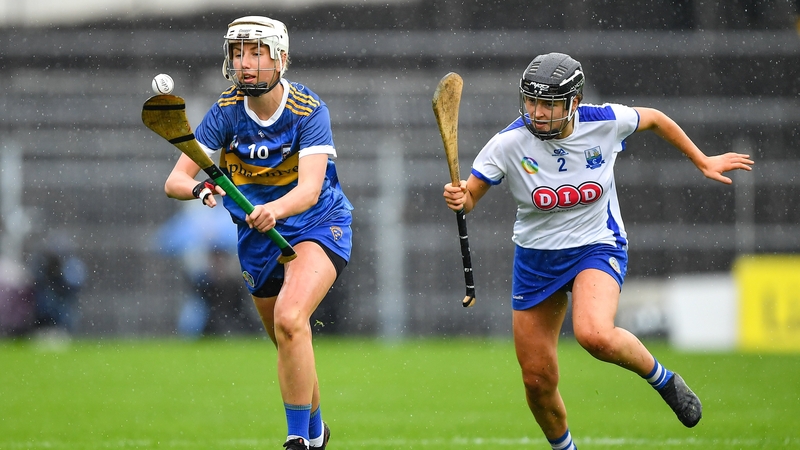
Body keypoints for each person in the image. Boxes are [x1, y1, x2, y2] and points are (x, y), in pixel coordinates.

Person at [442, 52, 754, 450]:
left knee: (594, 334)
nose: (537, 112)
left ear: (573, 102)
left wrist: (701, 159)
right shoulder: (507, 144)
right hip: (537, 259)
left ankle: (663, 380)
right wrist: (459, 197)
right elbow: (470, 198)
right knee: (537, 380)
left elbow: (655, 118)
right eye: (531, 101)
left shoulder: (605, 122)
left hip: (596, 244)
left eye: (548, 104)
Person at [164, 16, 353, 450]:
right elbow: (175, 180)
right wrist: (201, 187)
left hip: (317, 225)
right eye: (237, 53)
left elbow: (308, 190)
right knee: (289, 338)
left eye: (256, 52)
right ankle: (317, 432)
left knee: (290, 317)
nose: (244, 63)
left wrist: (274, 208)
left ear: (280, 58)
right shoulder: (226, 111)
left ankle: (296, 440)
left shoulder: (309, 110)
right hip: (256, 239)